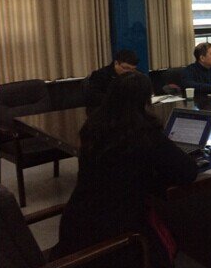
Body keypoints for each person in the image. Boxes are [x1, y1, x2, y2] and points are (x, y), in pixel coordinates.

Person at [51, 72, 198, 267]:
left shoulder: (92, 126)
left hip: (75, 222)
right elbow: (188, 172)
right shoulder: (144, 133)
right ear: (145, 101)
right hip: (115, 233)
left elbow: (119, 169)